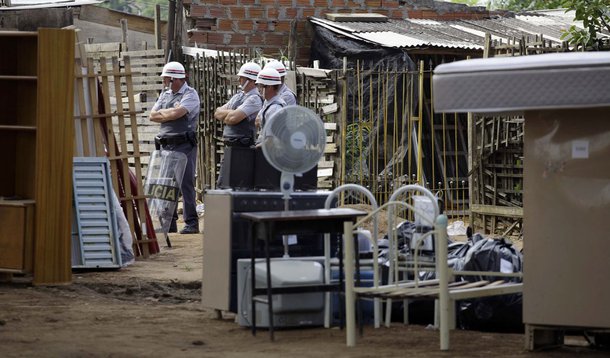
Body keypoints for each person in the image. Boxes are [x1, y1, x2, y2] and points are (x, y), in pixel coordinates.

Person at [149, 61, 201, 234]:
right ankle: (168, 222)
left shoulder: (190, 94)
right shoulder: (165, 95)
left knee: (185, 184)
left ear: (173, 79)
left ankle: (191, 223)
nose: (164, 82)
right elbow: (152, 115)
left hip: (184, 146)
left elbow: (178, 113)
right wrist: (170, 113)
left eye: (166, 79)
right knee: (167, 185)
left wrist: (168, 113)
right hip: (166, 145)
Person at [214, 62, 263, 186]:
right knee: (222, 185)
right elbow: (217, 113)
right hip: (230, 147)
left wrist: (231, 115)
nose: (239, 80)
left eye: (242, 78)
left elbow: (233, 119)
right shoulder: (238, 96)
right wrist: (232, 114)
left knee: (237, 185)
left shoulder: (254, 99)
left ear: (251, 80)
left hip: (242, 149)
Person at [254, 67, 287, 145]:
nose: (259, 89)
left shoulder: (275, 108)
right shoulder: (268, 102)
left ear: (269, 87)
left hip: (270, 153)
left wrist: (256, 147)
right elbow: (256, 121)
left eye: (261, 86)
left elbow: (271, 140)